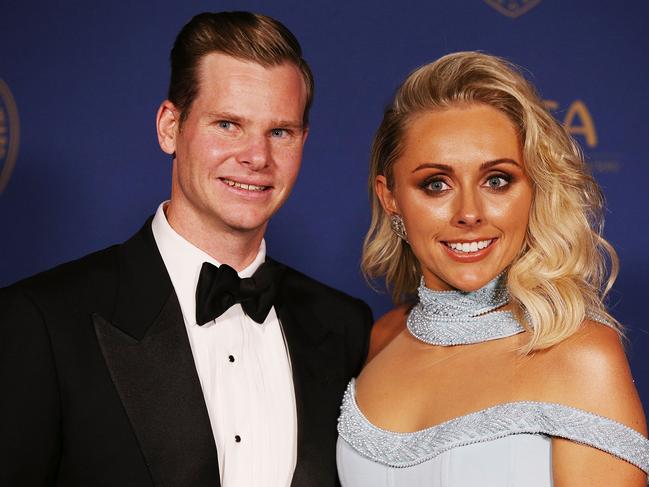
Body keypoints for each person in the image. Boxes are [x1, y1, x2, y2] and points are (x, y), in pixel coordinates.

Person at [0, 11, 372, 487]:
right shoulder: (44, 321)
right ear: (170, 127)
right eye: (227, 124)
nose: (257, 157)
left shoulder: (344, 327)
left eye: (280, 132)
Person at [336, 52, 649, 486]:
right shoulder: (383, 337)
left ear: (534, 188)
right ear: (390, 198)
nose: (469, 212)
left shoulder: (580, 354)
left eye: (497, 180)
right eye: (436, 184)